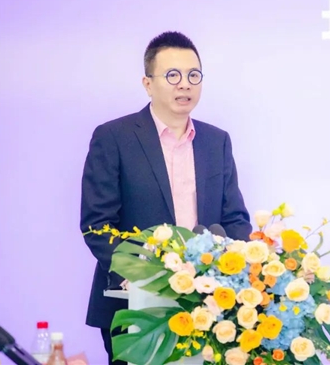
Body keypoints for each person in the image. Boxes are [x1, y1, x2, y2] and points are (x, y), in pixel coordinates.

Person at [79, 31, 252, 364]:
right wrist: (144, 275)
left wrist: (245, 269)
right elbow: (97, 225)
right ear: (148, 83)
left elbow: (234, 219)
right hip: (134, 307)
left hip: (208, 308)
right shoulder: (114, 137)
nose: (184, 84)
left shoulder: (216, 141)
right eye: (172, 75)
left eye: (193, 75)